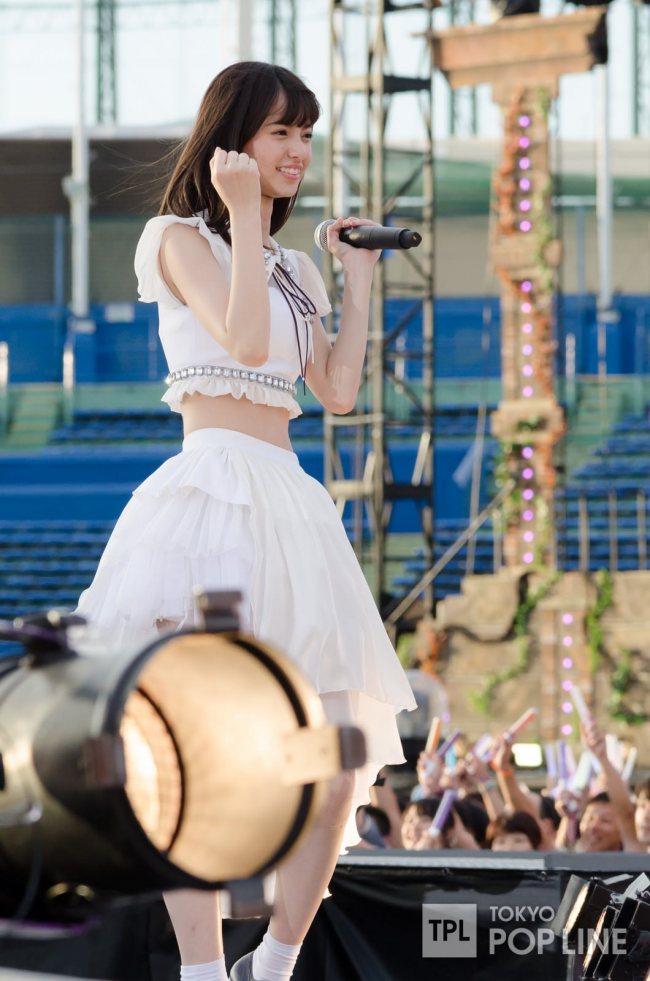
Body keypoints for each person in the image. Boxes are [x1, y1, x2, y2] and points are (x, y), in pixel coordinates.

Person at [74, 61, 416, 981]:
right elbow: (247, 339)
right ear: (233, 139)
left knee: (335, 754)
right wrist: (246, 216)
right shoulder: (174, 238)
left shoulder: (295, 265)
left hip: (292, 504)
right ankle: (199, 967)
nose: (298, 151)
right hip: (208, 497)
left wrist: (354, 277)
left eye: (305, 134)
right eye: (280, 133)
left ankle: (274, 961)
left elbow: (336, 390)